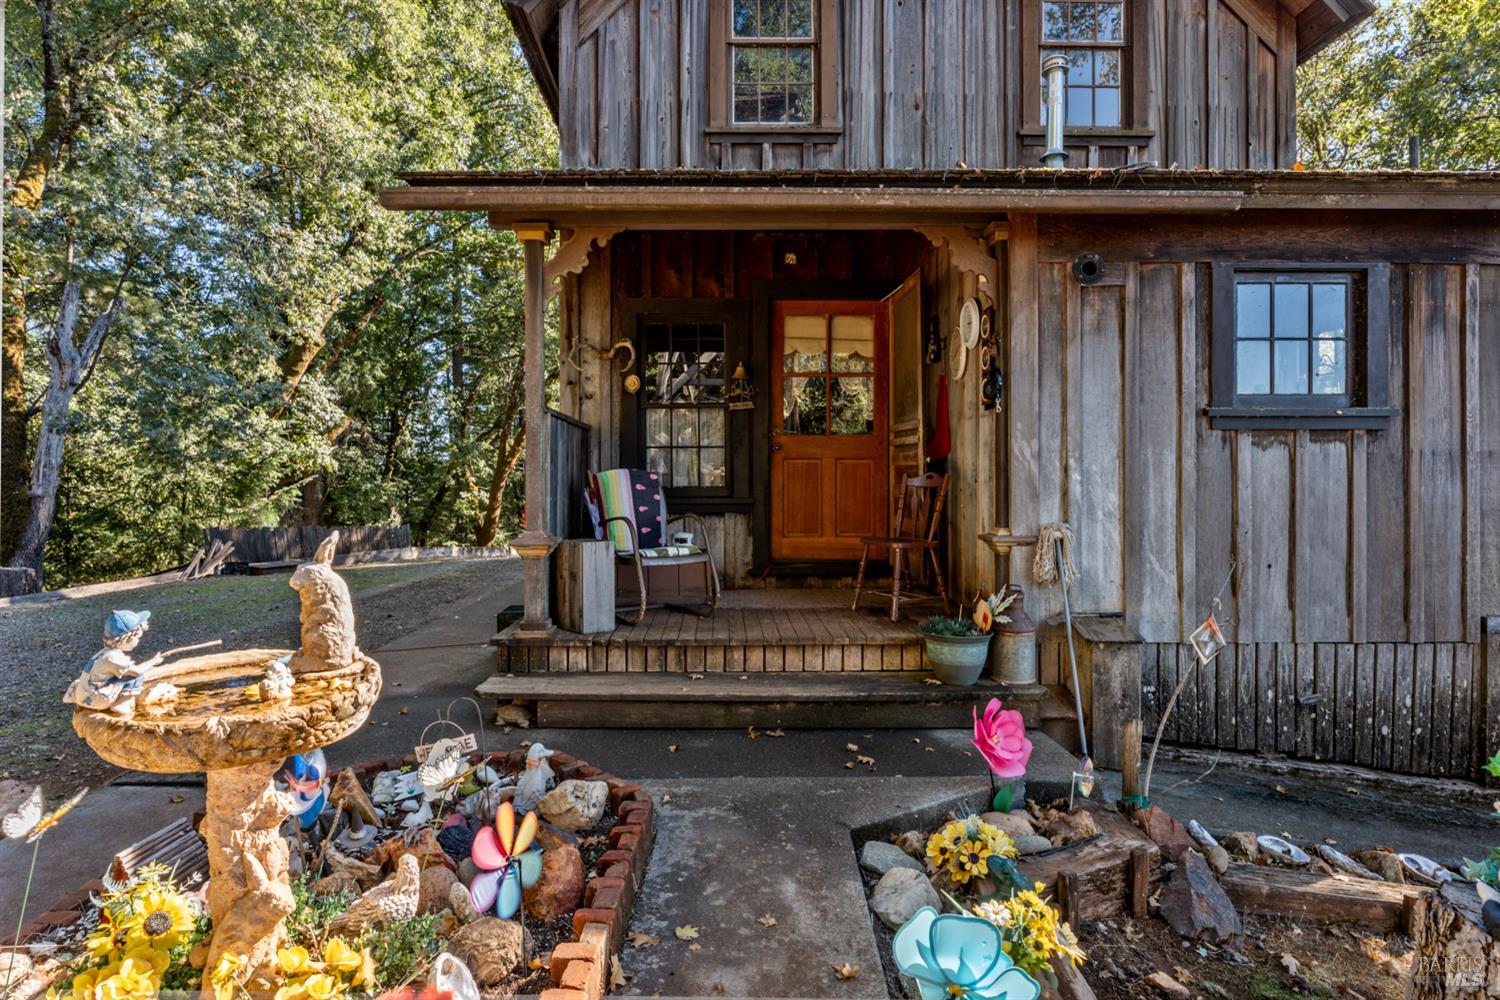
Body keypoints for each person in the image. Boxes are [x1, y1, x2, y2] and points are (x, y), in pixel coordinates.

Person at [63, 610, 162, 717]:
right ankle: (122, 705)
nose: (138, 641)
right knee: (135, 677)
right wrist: (153, 661)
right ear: (127, 639)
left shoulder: (104, 653)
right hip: (95, 700)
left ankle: (121, 699)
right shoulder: (113, 657)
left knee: (124, 676)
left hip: (83, 695)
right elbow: (137, 671)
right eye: (137, 638)